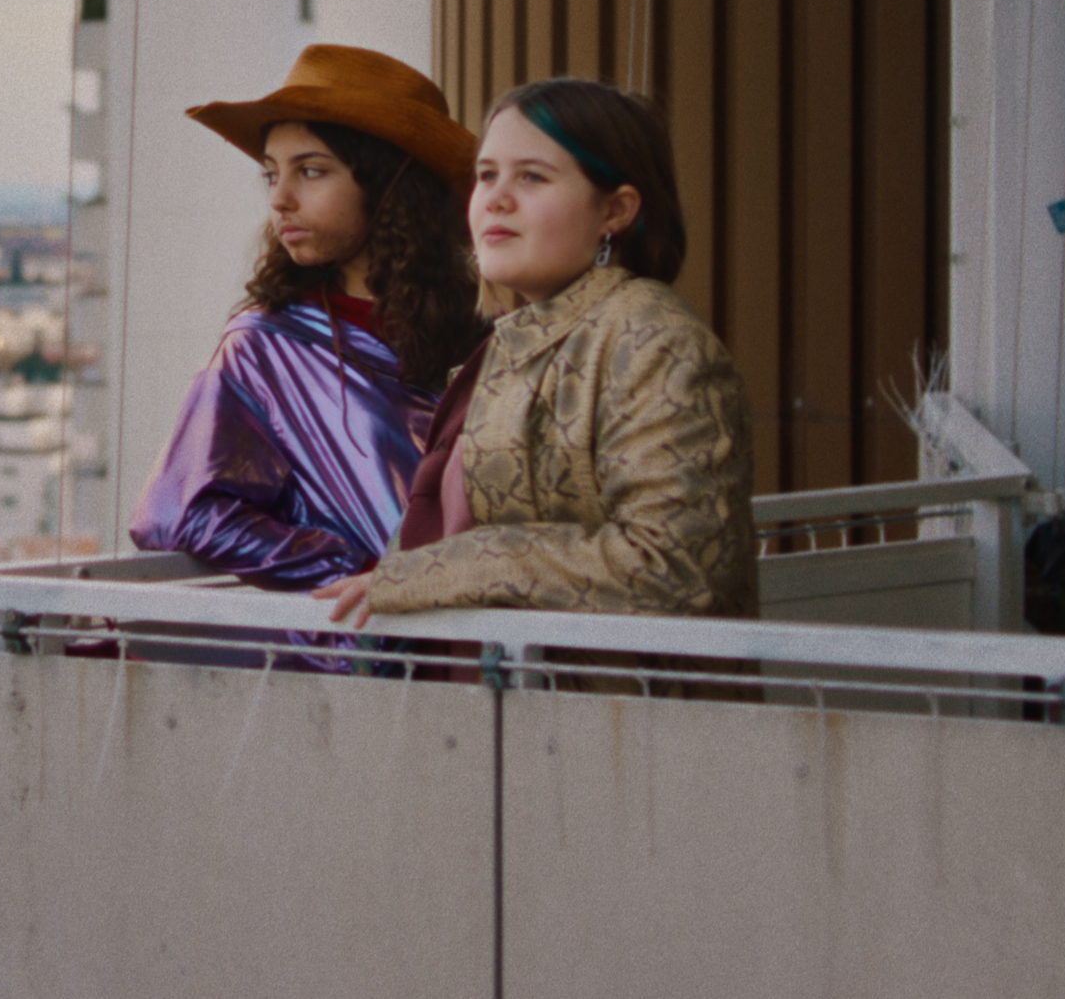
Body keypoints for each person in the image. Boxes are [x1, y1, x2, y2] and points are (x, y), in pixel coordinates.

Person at [316, 77, 756, 625]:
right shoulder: (513, 338)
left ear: (615, 210)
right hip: (505, 699)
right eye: (486, 175)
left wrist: (461, 566)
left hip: (621, 705)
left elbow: (672, 567)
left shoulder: (655, 343)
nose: (496, 198)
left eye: (532, 176)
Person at [129, 45, 487, 590]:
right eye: (272, 175)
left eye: (312, 171)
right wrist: (360, 572)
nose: (281, 199)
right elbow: (184, 511)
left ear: (390, 186)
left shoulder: (489, 335)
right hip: (356, 655)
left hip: (488, 649)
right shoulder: (263, 346)